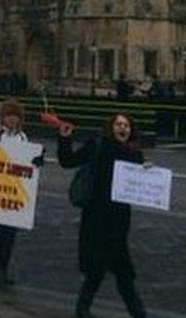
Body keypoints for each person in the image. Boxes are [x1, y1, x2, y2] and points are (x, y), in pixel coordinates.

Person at [58, 115, 148, 317]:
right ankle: (87, 310)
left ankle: (87, 309)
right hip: (96, 217)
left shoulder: (134, 153)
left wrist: (148, 172)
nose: (122, 128)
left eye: (126, 125)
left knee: (121, 271)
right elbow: (68, 161)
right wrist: (64, 139)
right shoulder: (98, 145)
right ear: (111, 128)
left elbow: (140, 184)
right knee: (98, 268)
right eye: (118, 124)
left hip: (119, 221)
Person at [0, 99, 45, 287]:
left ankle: (1, 266)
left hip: (11, 188)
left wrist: (35, 161)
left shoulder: (22, 137)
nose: (12, 120)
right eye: (9, 116)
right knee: (3, 230)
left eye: (15, 116)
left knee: (8, 231)